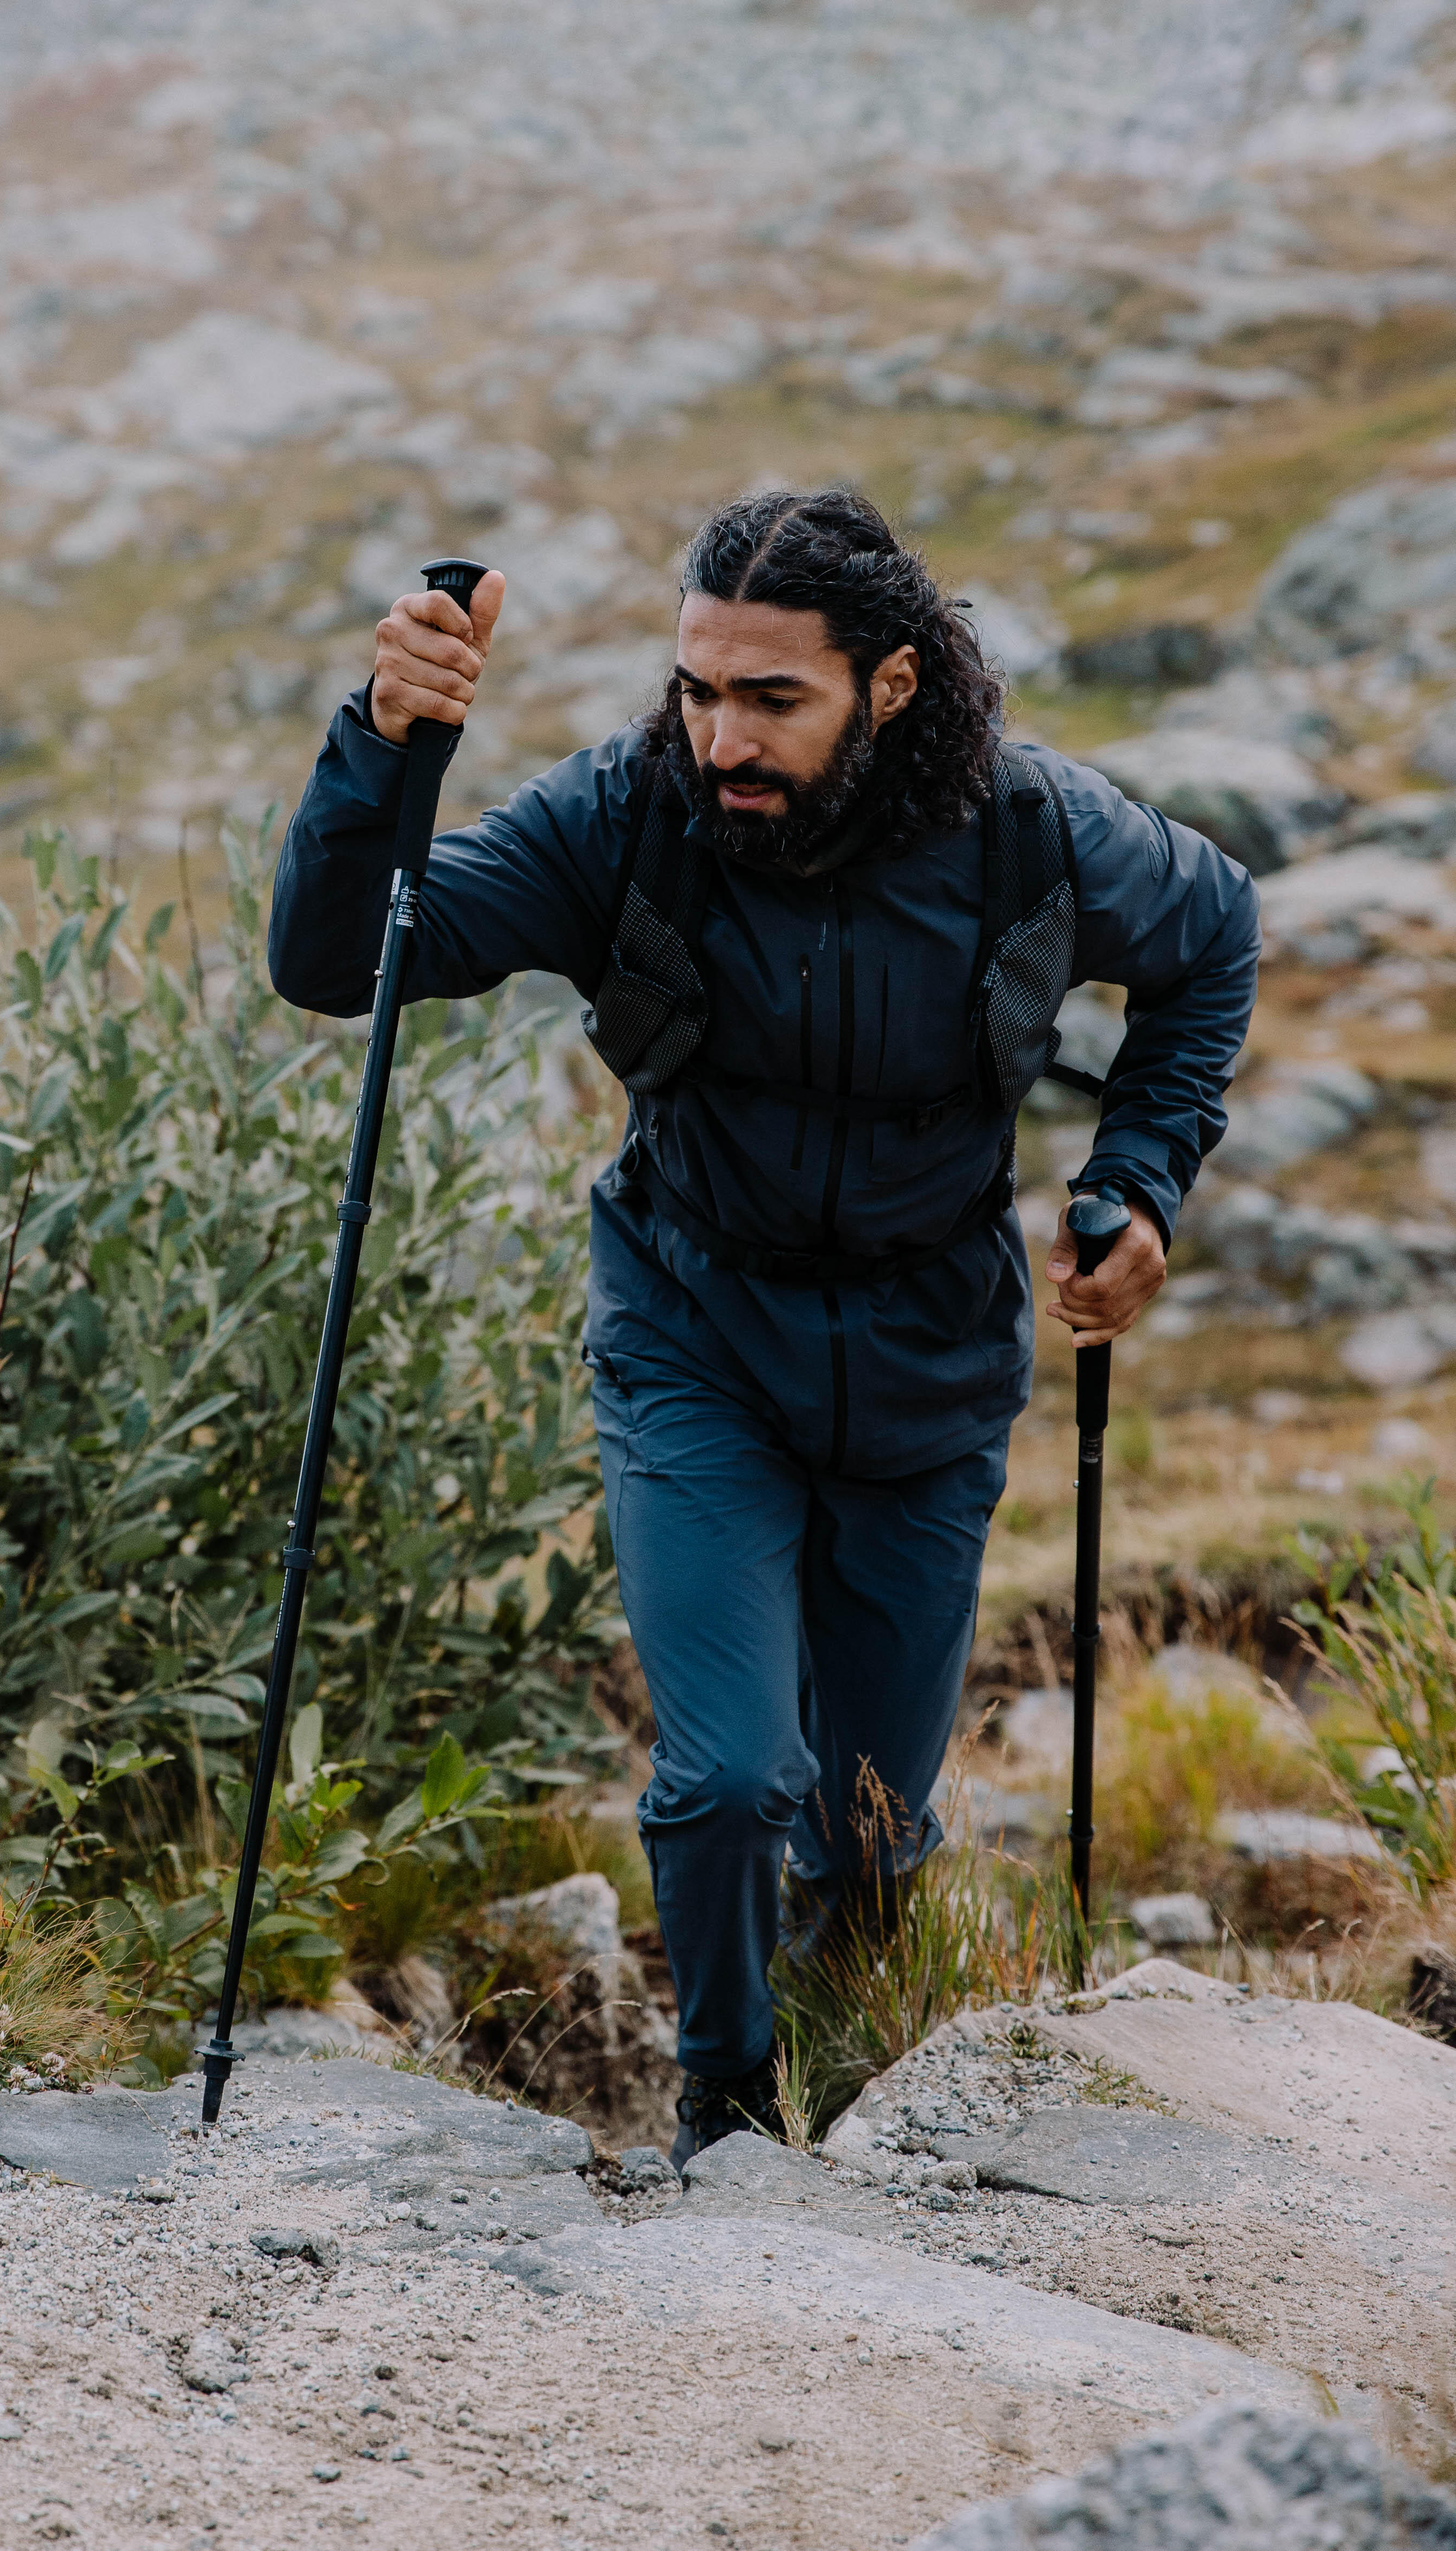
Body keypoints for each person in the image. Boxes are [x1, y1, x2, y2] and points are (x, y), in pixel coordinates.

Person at [268, 487, 1259, 2168]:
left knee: (872, 1832)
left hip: (932, 1365)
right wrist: (381, 744)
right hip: (695, 1336)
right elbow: (340, 957)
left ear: (886, 685)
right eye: (696, 688)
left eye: (769, 699)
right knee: (728, 1782)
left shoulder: (1032, 830)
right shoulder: (623, 814)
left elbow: (1214, 931)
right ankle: (726, 2112)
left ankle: (856, 2083)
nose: (720, 733)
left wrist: (1143, 1179)